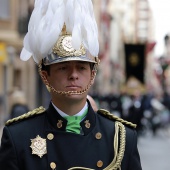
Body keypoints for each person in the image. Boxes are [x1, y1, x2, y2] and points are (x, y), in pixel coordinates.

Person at [0, 0, 142, 169]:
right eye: (63, 68)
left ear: (92, 74)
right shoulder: (19, 137)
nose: (73, 75)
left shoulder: (121, 137)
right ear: (46, 76)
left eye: (81, 68)